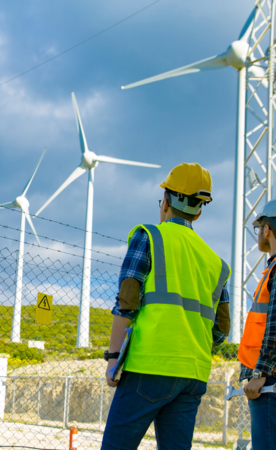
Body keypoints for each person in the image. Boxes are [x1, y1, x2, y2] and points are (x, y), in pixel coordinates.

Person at [100, 162, 230, 450]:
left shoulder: (149, 237)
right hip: (193, 376)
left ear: (166, 202)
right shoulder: (217, 264)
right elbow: (221, 331)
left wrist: (112, 359)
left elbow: (126, 304)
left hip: (149, 367)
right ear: (198, 210)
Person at [238, 199, 276, 450]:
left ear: (267, 229)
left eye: (259, 227)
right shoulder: (271, 269)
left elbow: (274, 325)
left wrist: (259, 373)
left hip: (269, 383)